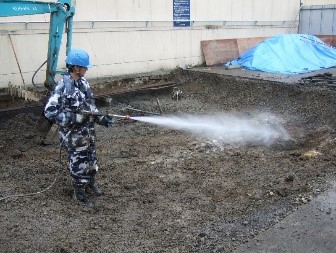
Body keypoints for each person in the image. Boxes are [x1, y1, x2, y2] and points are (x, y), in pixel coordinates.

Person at [44, 48, 113, 208]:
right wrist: (75, 118)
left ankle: (90, 184)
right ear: (76, 68)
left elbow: (90, 107)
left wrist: (102, 119)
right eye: (85, 67)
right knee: (78, 165)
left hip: (88, 134)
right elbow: (50, 111)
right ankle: (79, 194)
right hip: (74, 137)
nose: (86, 69)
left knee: (91, 161)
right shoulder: (62, 88)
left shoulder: (83, 83)